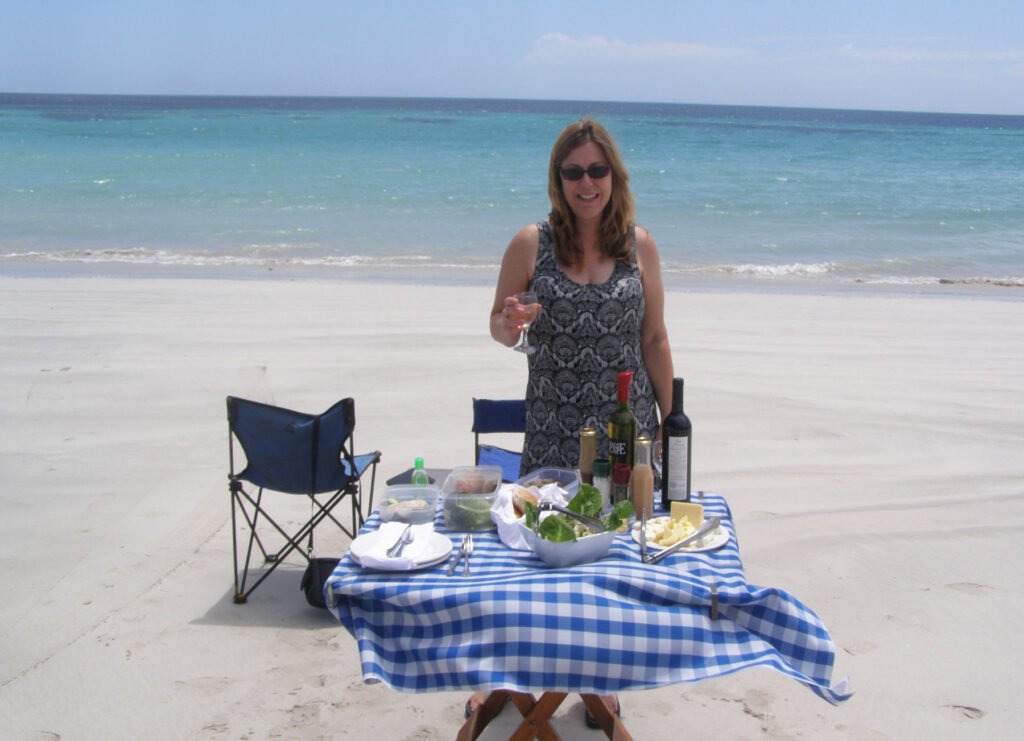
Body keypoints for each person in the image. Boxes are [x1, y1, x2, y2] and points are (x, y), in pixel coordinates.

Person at [470, 117, 674, 727]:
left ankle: (600, 682)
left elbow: (655, 338)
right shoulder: (529, 244)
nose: (587, 182)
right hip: (555, 426)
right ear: (558, 180)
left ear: (614, 174)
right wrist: (509, 322)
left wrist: (669, 418)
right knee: (543, 563)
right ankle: (500, 678)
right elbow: (500, 327)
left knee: (613, 561)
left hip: (624, 430)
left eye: (597, 170)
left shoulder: (639, 244)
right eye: (573, 171)